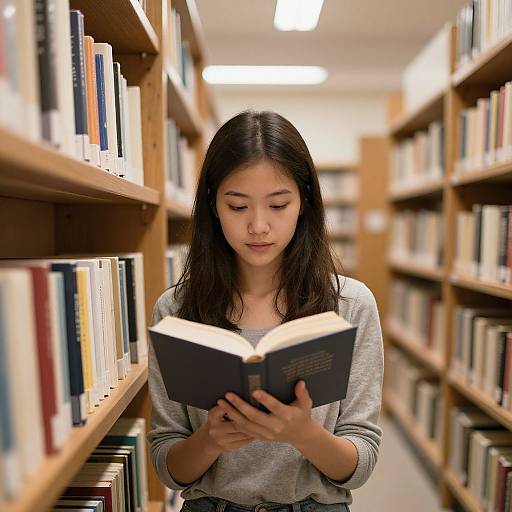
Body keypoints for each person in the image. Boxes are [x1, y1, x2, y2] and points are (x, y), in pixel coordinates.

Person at [148, 110, 384, 512]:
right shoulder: (176, 310)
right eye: (238, 207)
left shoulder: (350, 306)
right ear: (213, 206)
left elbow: (360, 463)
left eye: (278, 205)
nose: (258, 226)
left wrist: (304, 433)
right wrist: (210, 440)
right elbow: (168, 466)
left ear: (304, 203)